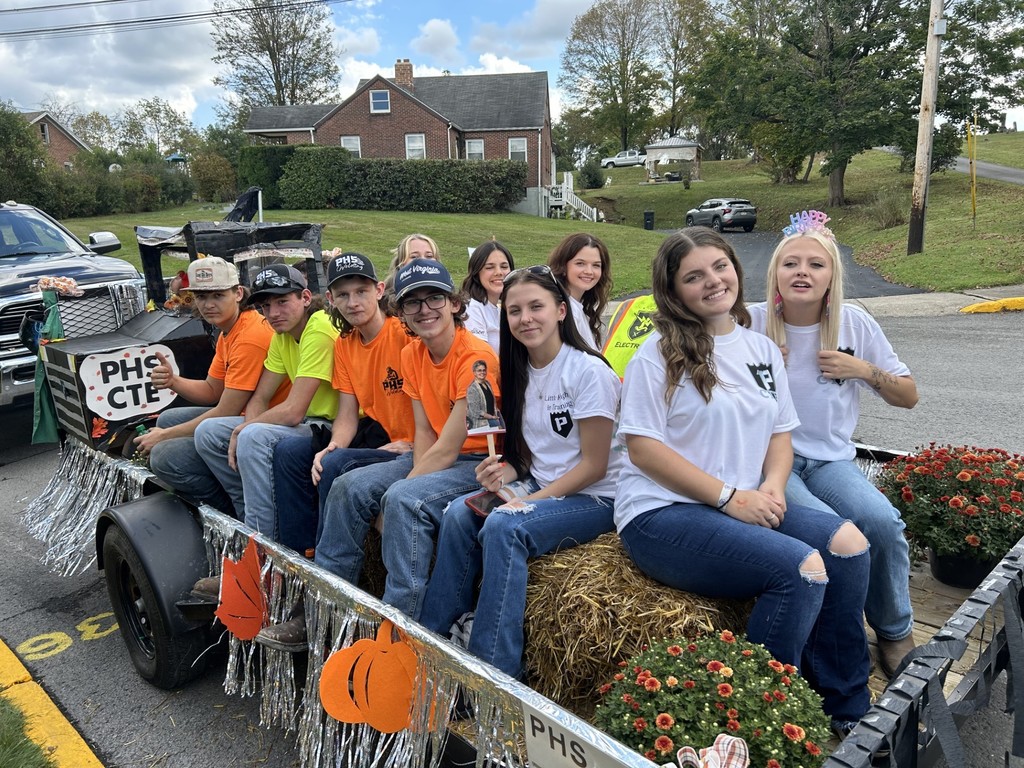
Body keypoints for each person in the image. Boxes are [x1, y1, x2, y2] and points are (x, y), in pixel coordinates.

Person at [614, 228, 871, 738]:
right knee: (800, 570)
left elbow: (780, 433)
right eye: (694, 276)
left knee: (849, 545)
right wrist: (729, 497)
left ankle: (845, 706)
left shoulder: (761, 348)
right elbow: (643, 449)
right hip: (662, 513)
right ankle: (762, 721)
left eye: (719, 267)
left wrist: (774, 484)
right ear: (674, 290)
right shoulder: (657, 354)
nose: (713, 281)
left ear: (735, 267)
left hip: (744, 500)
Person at [420, 264, 622, 681]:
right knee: (458, 513)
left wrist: (528, 501)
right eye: (514, 311)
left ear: (561, 311)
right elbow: (532, 456)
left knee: (504, 527)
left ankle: (492, 672)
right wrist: (504, 473)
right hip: (542, 483)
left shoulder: (589, 372)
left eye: (536, 307)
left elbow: (594, 465)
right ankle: (432, 646)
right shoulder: (518, 372)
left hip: (598, 497)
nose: (525, 318)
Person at [750, 210, 919, 679]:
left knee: (881, 522)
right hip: (771, 462)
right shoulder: (751, 323)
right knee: (831, 533)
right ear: (776, 273)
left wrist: (863, 370)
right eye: (790, 263)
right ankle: (833, 647)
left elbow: (908, 396)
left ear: (831, 276)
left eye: (815, 264)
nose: (802, 272)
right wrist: (753, 362)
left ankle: (895, 630)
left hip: (830, 461)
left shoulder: (854, 324)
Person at [314, 259, 499, 622]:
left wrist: (400, 491)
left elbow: (450, 448)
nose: (424, 310)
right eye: (413, 302)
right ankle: (328, 605)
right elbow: (424, 432)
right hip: (435, 453)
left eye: (435, 298)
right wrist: (411, 475)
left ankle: (399, 623)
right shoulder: (411, 353)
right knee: (348, 486)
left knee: (401, 500)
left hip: (478, 462)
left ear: (455, 304)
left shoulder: (476, 359)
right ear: (401, 312)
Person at [267, 252, 416, 556]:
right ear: (331, 300)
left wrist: (414, 443)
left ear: (379, 290)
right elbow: (346, 414)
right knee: (292, 453)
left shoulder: (404, 335)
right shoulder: (345, 345)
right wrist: (333, 446)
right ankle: (300, 552)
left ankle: (330, 563)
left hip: (412, 443)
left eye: (361, 292)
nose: (353, 302)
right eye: (343, 295)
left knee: (335, 464)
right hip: (379, 436)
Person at [193, 263, 339, 541]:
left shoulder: (318, 328)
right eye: (265, 306)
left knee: (252, 436)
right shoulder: (282, 334)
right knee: (208, 432)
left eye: (282, 302)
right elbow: (260, 398)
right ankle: (248, 515)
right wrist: (248, 428)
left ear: (305, 298)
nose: (273, 313)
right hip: (308, 422)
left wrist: (245, 430)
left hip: (333, 425)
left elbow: (293, 410)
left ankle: (261, 543)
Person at [137, 257, 287, 514]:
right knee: (168, 419)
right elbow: (211, 391)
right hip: (247, 415)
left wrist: (164, 436)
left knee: (164, 456)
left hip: (270, 422)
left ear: (238, 293)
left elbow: (226, 410)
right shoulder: (229, 329)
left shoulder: (249, 337)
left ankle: (234, 510)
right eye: (201, 296)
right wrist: (174, 381)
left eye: (218, 295)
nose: (208, 304)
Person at [547, 232, 611, 351]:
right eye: (580, 263)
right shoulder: (564, 311)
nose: (589, 271)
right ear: (563, 266)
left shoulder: (579, 307)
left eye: (596, 265)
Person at [463, 240, 514, 352]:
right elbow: (479, 356)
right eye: (490, 267)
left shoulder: (500, 309)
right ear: (476, 272)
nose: (499, 272)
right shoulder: (472, 308)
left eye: (504, 266)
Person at [465, 360, 500, 429]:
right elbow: (475, 411)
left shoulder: (487, 383)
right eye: (479, 370)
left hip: (492, 419)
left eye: (484, 370)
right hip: (480, 424)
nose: (482, 372)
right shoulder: (472, 389)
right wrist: (491, 417)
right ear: (474, 372)